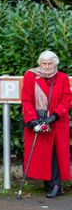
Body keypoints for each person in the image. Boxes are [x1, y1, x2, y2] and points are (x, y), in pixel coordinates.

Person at [21, 50, 71, 198]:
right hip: (38, 120)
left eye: (50, 64)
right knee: (43, 153)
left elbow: (67, 99)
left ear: (56, 64)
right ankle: (49, 182)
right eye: (44, 63)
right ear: (39, 63)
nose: (47, 67)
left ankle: (57, 184)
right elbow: (26, 98)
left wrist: (55, 116)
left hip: (57, 122)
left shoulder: (62, 78)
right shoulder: (31, 76)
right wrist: (32, 119)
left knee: (56, 154)